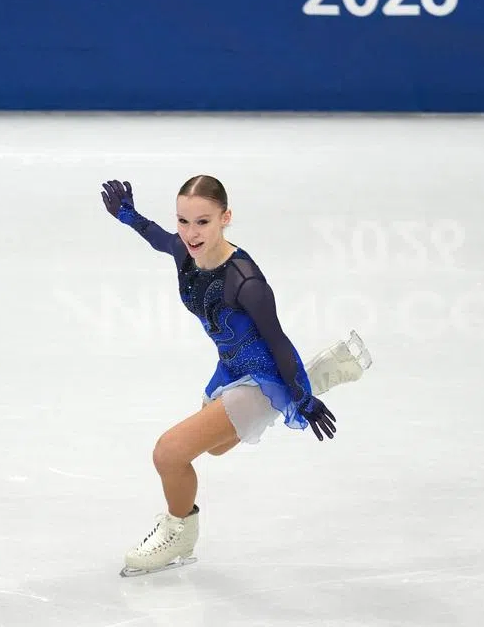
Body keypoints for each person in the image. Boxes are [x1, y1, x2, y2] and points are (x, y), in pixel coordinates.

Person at [100, 175, 372, 577]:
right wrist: (127, 215)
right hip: (229, 367)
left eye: (203, 222)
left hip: (261, 375)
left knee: (169, 453)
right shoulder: (185, 251)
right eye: (184, 221)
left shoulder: (245, 281)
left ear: (225, 218)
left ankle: (179, 532)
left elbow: (278, 342)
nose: (191, 234)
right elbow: (159, 237)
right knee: (215, 448)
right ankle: (300, 382)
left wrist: (301, 398)